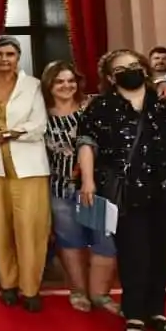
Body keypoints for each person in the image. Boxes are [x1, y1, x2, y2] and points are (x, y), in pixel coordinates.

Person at [79, 49, 166, 331]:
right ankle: (134, 313)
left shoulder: (165, 101)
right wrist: (87, 180)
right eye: (120, 68)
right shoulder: (101, 105)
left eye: (133, 65)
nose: (129, 70)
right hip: (126, 191)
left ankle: (157, 312)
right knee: (133, 253)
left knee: (160, 254)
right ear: (110, 77)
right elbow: (87, 142)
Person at [0, 36, 50, 312]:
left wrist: (6, 135)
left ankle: (30, 288)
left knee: (30, 226)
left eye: (10, 54)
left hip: (28, 166)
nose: (4, 59)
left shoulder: (33, 85)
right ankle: (7, 283)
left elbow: (39, 125)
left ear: (18, 57)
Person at [42, 61, 117, 314]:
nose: (66, 86)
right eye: (59, 81)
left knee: (104, 241)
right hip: (60, 188)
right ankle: (78, 291)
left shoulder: (91, 107)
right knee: (70, 241)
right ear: (49, 85)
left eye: (71, 81)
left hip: (95, 187)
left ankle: (100, 295)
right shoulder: (41, 114)